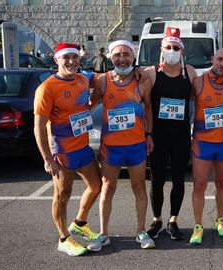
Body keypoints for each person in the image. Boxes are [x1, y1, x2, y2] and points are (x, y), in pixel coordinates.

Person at [33, 42, 102, 256]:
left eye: (74, 57)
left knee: (97, 185)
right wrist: (47, 159)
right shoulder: (47, 88)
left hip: (83, 147)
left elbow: (99, 80)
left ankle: (79, 223)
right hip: (62, 152)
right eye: (66, 58)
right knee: (62, 195)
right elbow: (38, 127)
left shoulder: (82, 79)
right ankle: (63, 238)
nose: (71, 61)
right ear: (56, 60)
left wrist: (135, 71)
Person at [89, 40, 155, 250]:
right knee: (108, 188)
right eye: (117, 55)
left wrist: (149, 134)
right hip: (111, 146)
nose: (122, 58)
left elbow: (148, 109)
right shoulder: (102, 80)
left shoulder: (142, 81)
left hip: (136, 145)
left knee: (139, 187)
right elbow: (90, 104)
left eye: (127, 54)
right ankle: (103, 233)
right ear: (110, 57)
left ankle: (141, 231)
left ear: (133, 58)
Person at [145, 27, 197, 241]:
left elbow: (198, 97)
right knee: (157, 180)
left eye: (176, 47)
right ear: (162, 49)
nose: (172, 50)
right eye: (168, 47)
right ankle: (156, 219)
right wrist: (148, 134)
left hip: (181, 135)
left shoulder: (190, 72)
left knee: (178, 179)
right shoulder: (151, 73)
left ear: (182, 50)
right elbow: (146, 104)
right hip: (158, 135)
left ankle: (173, 220)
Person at [189, 48, 223, 245]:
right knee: (199, 185)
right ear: (212, 59)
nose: (222, 64)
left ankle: (220, 219)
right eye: (219, 59)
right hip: (202, 143)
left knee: (222, 183)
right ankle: (198, 225)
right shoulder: (198, 81)